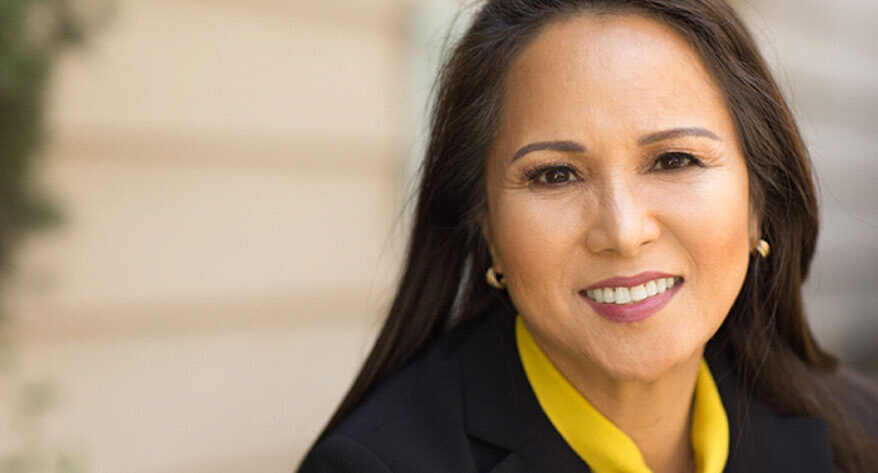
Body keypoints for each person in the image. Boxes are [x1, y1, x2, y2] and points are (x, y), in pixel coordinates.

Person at [298, 0, 878, 471]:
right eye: (555, 175)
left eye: (674, 160)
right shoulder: (377, 464)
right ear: (486, 228)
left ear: (759, 204)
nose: (623, 232)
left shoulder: (857, 436)